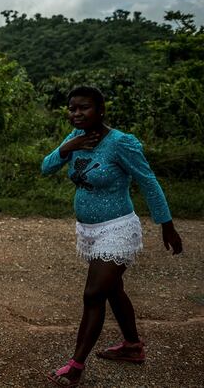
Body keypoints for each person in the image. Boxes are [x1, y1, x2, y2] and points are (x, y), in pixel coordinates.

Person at [42, 86, 183, 387]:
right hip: (88, 231)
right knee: (113, 289)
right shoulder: (74, 138)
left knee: (93, 294)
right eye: (72, 108)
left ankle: (76, 365)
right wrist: (69, 146)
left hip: (118, 227)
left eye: (84, 108)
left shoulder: (121, 143)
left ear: (101, 110)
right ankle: (132, 346)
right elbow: (46, 167)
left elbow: (148, 182)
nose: (77, 114)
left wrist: (166, 224)